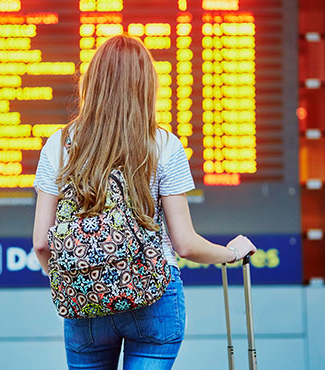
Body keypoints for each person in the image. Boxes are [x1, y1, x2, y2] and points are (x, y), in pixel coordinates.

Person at [32, 35, 257, 370]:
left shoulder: (58, 144)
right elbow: (185, 244)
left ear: (91, 83)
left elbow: (41, 244)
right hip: (154, 296)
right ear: (146, 85)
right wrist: (232, 253)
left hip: (85, 305)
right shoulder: (164, 145)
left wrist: (82, 282)